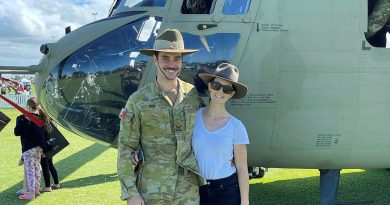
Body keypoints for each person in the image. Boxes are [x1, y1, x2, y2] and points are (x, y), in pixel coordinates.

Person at [117, 28, 206, 205]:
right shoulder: (138, 100)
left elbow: (207, 131)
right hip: (152, 190)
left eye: (176, 58)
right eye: (165, 58)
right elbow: (126, 147)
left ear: (181, 61)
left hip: (187, 191)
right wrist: (131, 193)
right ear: (155, 59)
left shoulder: (193, 96)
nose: (171, 64)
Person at [194, 63, 250, 205]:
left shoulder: (236, 127)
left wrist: (245, 201)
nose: (220, 92)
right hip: (196, 189)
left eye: (226, 89)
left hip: (226, 190)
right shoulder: (193, 118)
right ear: (209, 86)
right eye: (216, 85)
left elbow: (242, 168)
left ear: (231, 94)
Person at [14, 97, 49, 200]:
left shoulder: (21, 119)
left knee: (30, 170)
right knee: (37, 168)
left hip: (28, 148)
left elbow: (16, 133)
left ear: (28, 106)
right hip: (39, 148)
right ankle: (37, 190)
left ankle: (31, 193)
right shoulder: (41, 119)